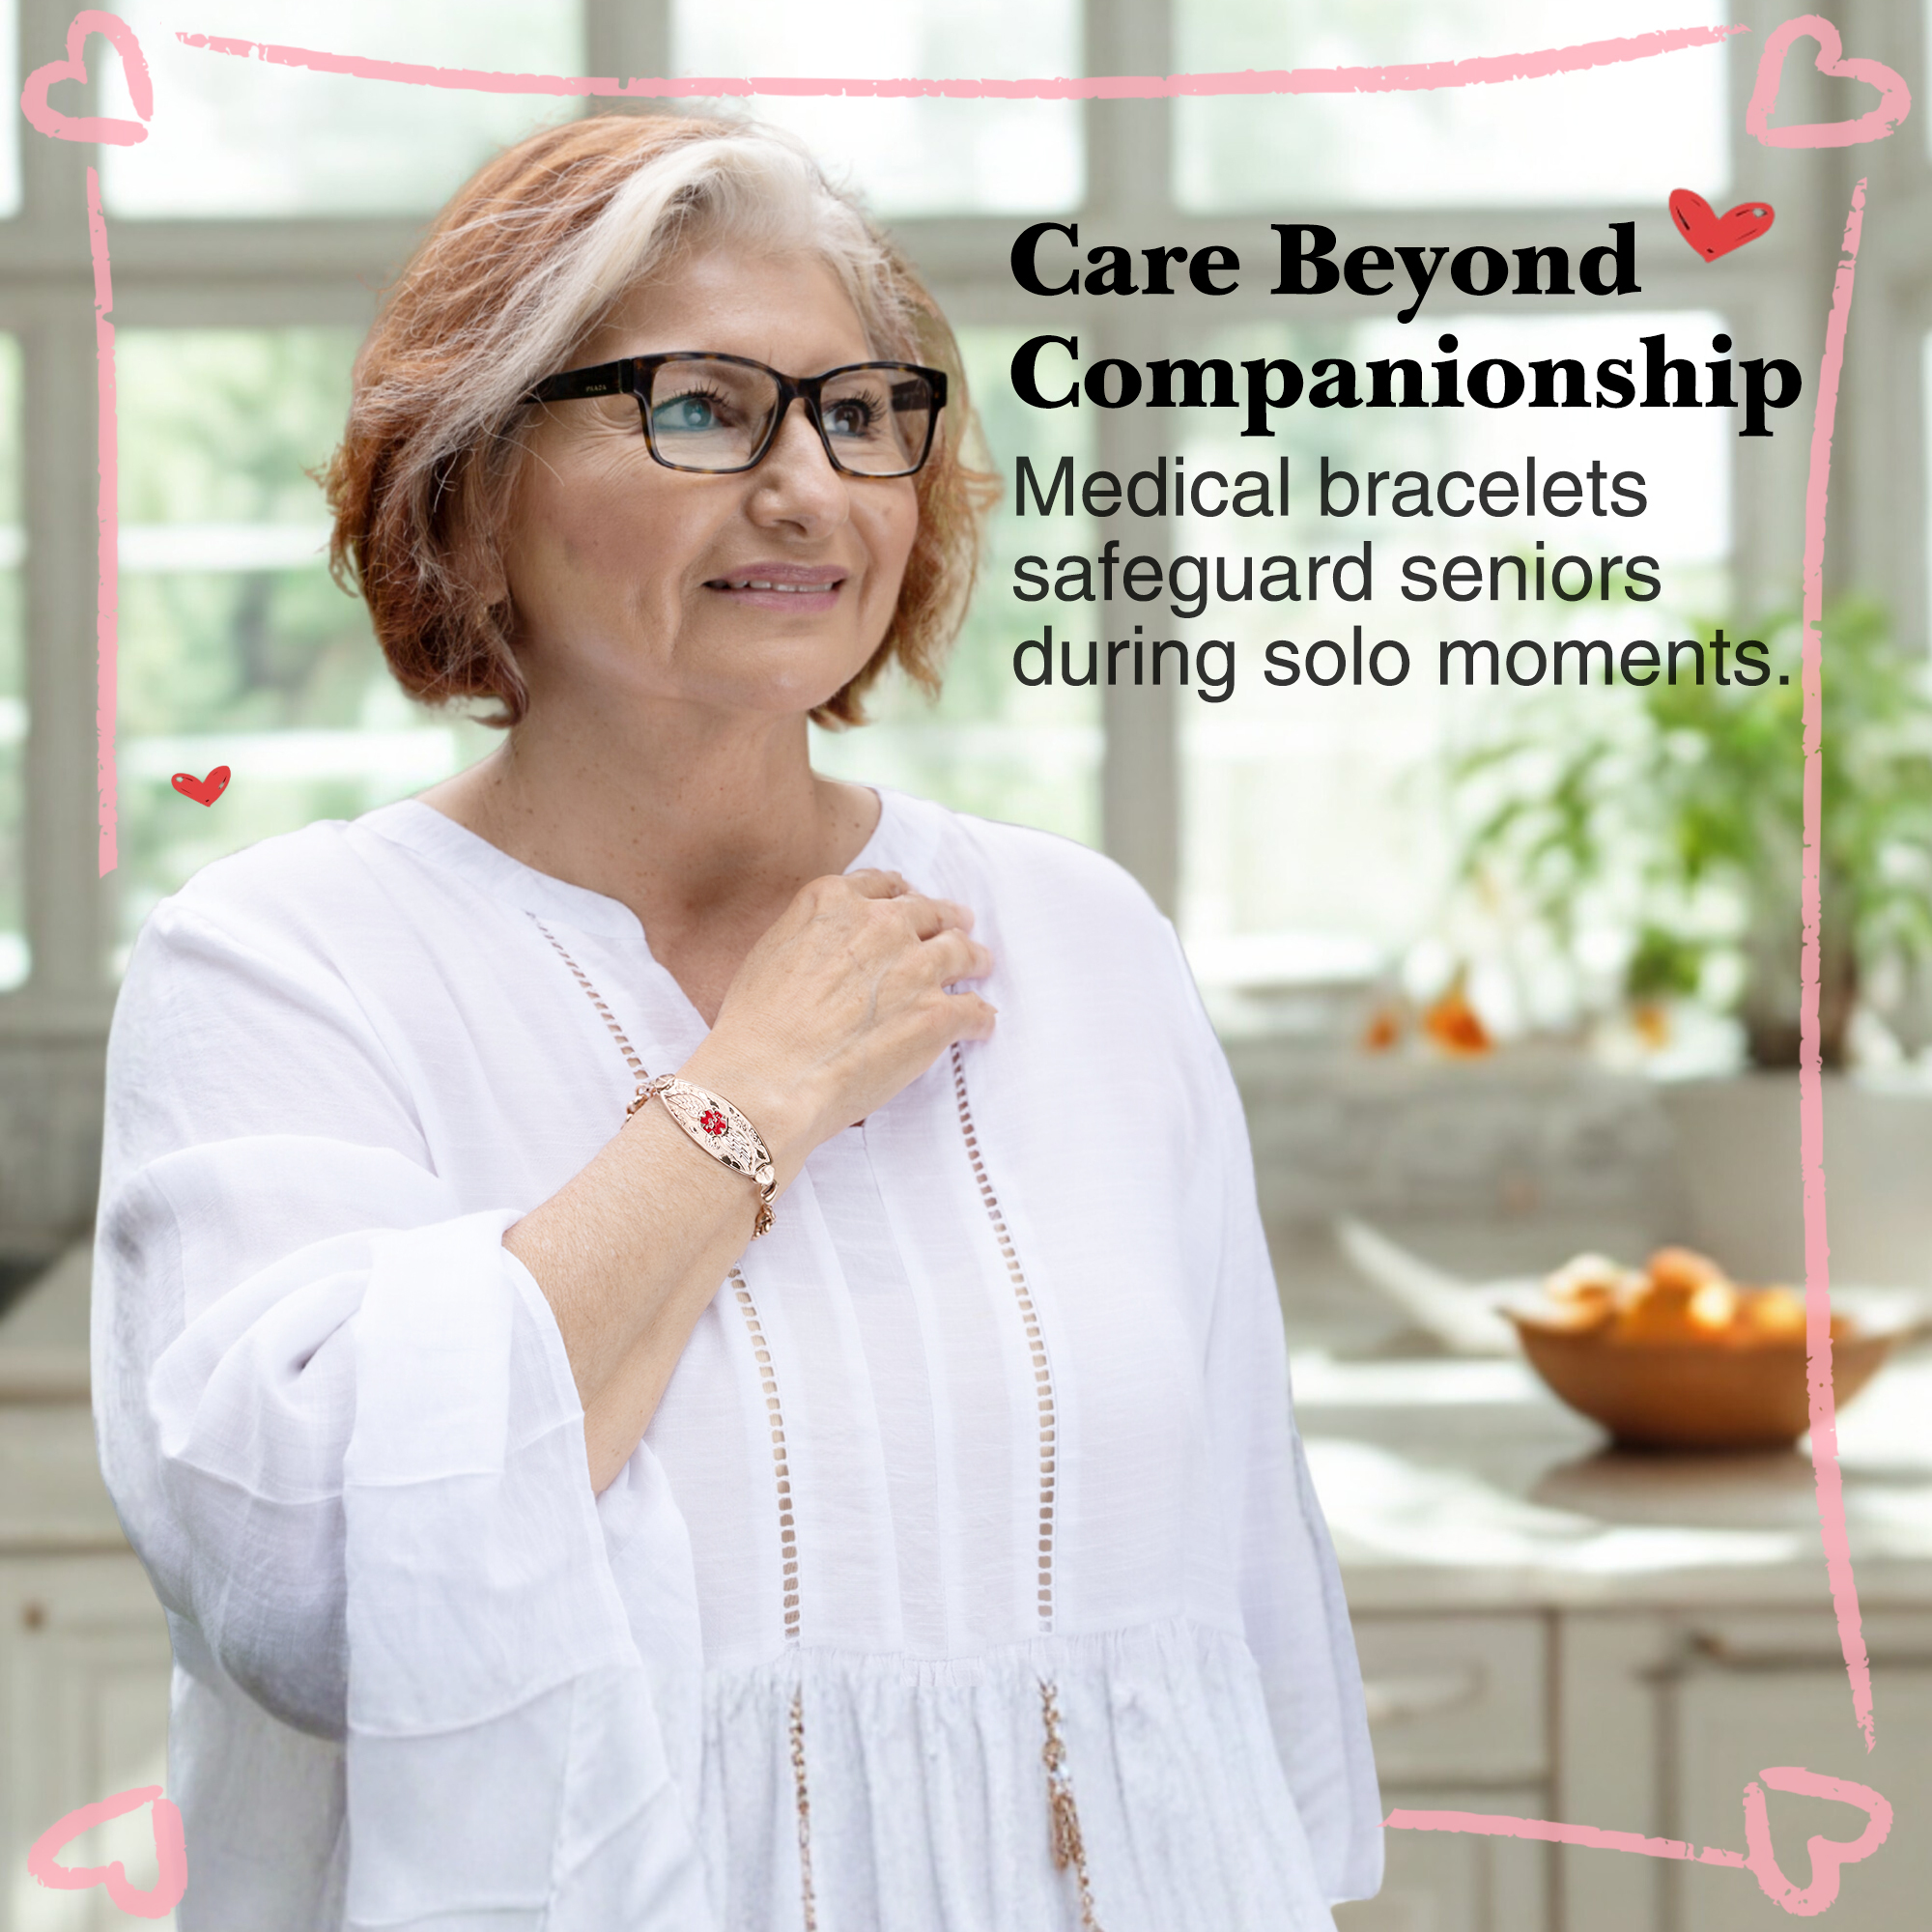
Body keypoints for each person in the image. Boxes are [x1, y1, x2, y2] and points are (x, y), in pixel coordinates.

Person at [94, 112, 1381, 1931]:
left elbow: (1244, 1630)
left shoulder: (1081, 941)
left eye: (863, 411)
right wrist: (743, 1099)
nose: (810, 490)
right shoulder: (285, 962)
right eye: (699, 408)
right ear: (467, 482)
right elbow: (314, 1592)